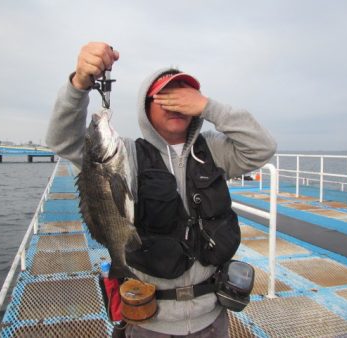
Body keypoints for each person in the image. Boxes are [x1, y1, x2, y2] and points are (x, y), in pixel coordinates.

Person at [46, 42, 276, 338]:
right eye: (166, 96)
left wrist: (209, 107)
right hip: (149, 320)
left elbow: (263, 148)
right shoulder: (126, 153)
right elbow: (63, 141)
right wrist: (79, 84)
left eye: (186, 96)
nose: (177, 103)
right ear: (145, 105)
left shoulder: (214, 150)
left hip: (214, 319)